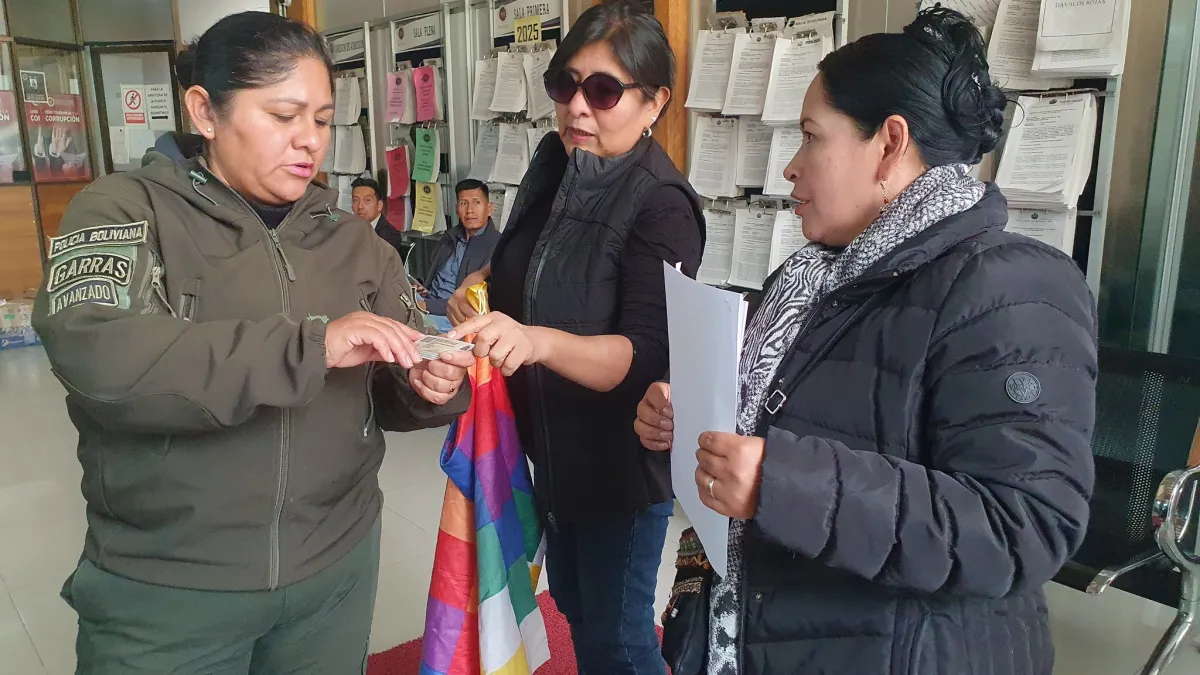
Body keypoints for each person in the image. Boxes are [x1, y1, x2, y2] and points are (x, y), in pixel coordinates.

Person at [635, 8, 1096, 675]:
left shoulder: (1012, 286)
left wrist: (780, 481)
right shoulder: (814, 274)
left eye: (811, 137)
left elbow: (1020, 524)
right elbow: (791, 415)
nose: (790, 167)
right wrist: (694, 418)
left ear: (888, 143)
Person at [32, 12, 473, 674]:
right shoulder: (126, 211)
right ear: (205, 111)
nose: (309, 143)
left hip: (333, 568)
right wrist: (310, 346)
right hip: (170, 588)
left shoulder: (352, 239)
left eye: (323, 120)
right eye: (283, 116)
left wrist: (433, 382)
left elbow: (395, 373)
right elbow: (100, 358)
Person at [445, 2, 705, 673]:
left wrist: (533, 341)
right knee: (579, 612)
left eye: (604, 91)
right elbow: (525, 259)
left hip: (619, 469)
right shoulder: (558, 159)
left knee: (618, 641)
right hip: (550, 456)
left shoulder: (662, 204)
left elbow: (642, 352)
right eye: (566, 83)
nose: (577, 108)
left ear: (654, 104)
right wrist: (482, 283)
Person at [416, 179, 500, 333]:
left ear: (489, 208)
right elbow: (435, 277)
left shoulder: (498, 246)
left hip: (456, 317)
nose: (469, 210)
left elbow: (477, 302)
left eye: (476, 203)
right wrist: (422, 288)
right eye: (463, 203)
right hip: (428, 303)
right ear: (456, 209)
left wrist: (426, 306)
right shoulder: (450, 238)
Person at [352, 176, 408, 261]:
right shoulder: (351, 229)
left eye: (367, 200)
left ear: (379, 205)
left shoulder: (389, 235)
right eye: (355, 200)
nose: (360, 206)